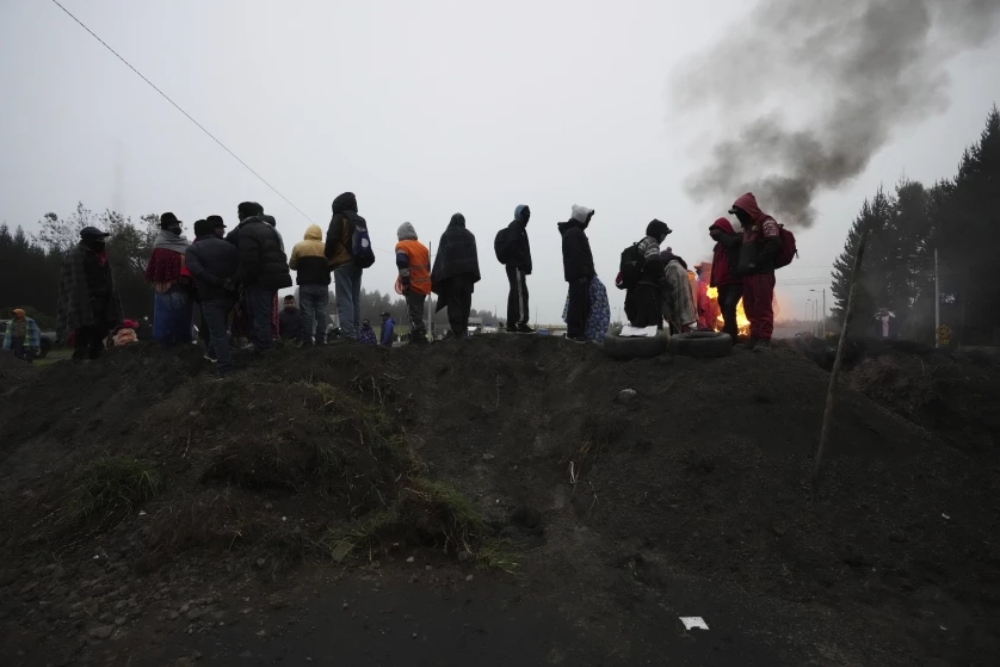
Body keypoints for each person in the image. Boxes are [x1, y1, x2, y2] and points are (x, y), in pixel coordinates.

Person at [232, 201, 293, 352]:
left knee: (259, 314)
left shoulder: (246, 230)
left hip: (259, 279)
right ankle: (264, 344)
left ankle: (263, 348)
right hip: (274, 277)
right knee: (264, 313)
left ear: (241, 214)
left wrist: (238, 279)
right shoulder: (269, 228)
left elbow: (249, 260)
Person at [57, 226, 123, 361]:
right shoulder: (75, 256)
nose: (102, 242)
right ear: (88, 240)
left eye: (102, 239)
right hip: (85, 300)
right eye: (98, 239)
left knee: (101, 332)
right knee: (84, 330)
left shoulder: (102, 256)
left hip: (104, 300)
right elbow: (71, 283)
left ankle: (97, 359)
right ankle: (79, 359)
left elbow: (108, 279)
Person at [185, 217, 240, 375]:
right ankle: (212, 353)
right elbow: (240, 266)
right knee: (221, 327)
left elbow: (196, 271)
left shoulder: (193, 249)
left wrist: (216, 281)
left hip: (210, 296)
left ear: (196, 232)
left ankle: (225, 368)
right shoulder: (229, 247)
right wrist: (231, 282)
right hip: (230, 295)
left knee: (217, 333)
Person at [731, 193, 781, 351]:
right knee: (750, 306)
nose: (738, 216)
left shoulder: (766, 222)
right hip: (748, 275)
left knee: (762, 305)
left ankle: (764, 339)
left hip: (762, 273)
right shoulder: (746, 228)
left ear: (747, 210)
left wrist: (757, 263)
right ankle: (755, 336)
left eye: (739, 212)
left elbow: (774, 243)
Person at [145, 212, 194, 345]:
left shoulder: (184, 243)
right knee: (165, 321)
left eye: (177, 224)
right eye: (173, 225)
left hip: (184, 288)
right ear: (166, 228)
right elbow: (156, 269)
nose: (177, 227)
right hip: (166, 289)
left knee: (183, 321)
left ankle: (184, 343)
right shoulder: (161, 246)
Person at [431, 213, 481, 339]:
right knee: (465, 304)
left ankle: (458, 333)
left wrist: (439, 277)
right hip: (468, 278)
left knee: (454, 304)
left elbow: (442, 258)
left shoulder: (447, 235)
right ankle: (463, 331)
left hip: (452, 277)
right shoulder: (470, 236)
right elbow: (473, 258)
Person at [324, 192, 366, 342]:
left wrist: (328, 257)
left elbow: (332, 239)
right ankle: (355, 331)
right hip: (358, 263)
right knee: (355, 299)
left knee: (344, 298)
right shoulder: (359, 220)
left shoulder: (339, 217)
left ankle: (348, 334)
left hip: (343, 262)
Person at [558, 205, 596, 342]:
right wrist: (583, 273)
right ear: (581, 217)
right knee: (577, 304)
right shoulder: (574, 233)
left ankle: (578, 332)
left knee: (582, 304)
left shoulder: (575, 232)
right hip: (579, 276)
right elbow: (576, 257)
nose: (589, 221)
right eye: (587, 217)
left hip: (580, 275)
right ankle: (574, 332)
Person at [624, 219, 672, 329]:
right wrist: (663, 281)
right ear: (658, 233)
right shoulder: (652, 243)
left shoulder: (641, 243)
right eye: (664, 234)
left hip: (636, 289)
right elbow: (653, 261)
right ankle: (655, 346)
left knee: (640, 325)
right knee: (654, 325)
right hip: (649, 289)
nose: (665, 237)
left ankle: (639, 346)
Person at [289, 224, 331, 345]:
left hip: (306, 285)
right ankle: (321, 340)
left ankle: (307, 340)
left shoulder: (299, 246)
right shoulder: (326, 248)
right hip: (322, 285)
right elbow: (332, 264)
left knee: (307, 314)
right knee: (322, 313)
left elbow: (292, 265)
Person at [395, 222, 431, 344]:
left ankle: (419, 339)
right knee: (418, 312)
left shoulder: (402, 246)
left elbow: (402, 265)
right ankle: (418, 337)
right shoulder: (423, 248)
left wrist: (405, 283)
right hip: (424, 286)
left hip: (413, 286)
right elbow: (428, 268)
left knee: (413, 314)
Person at [709, 217, 744, 340]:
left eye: (717, 229)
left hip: (735, 281)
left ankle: (732, 334)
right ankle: (728, 329)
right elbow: (716, 265)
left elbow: (731, 243)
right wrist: (713, 282)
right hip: (722, 283)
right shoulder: (717, 247)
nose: (713, 233)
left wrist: (721, 236)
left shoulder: (737, 238)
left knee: (730, 305)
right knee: (723, 305)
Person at [502, 205, 533, 333]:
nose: (527, 217)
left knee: (515, 293)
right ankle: (521, 322)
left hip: (515, 266)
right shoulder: (515, 227)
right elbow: (514, 245)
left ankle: (511, 323)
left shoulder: (518, 228)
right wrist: (521, 259)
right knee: (521, 293)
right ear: (519, 215)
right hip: (516, 266)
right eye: (525, 215)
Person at [661, 249, 697, 334]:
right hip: (685, 314)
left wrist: (673, 317)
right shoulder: (680, 268)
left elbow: (675, 297)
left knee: (679, 331)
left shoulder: (672, 269)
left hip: (680, 315)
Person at [694, 262, 721, 331]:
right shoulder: (702, 285)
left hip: (708, 316)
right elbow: (703, 304)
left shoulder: (702, 284)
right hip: (706, 317)